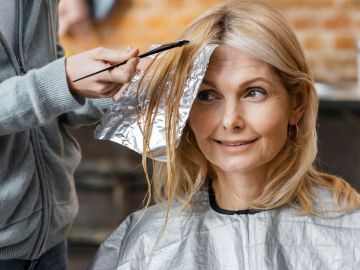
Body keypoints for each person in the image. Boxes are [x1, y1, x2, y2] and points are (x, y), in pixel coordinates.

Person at [90, 0, 360, 269]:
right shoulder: (143, 243)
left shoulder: (351, 231)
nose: (231, 120)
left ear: (297, 103)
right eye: (207, 95)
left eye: (254, 92)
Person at [0, 0, 139, 269]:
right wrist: (62, 80)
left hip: (49, 240)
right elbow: (48, 85)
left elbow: (44, 90)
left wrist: (112, 91)